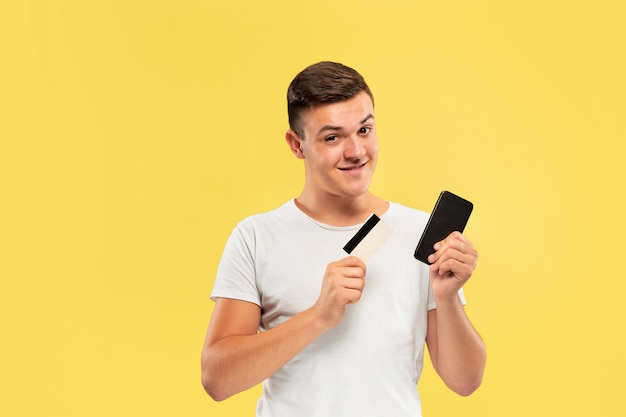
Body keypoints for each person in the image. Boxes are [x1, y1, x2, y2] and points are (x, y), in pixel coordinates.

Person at [201, 61, 486, 417]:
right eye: (332, 137)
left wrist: (446, 299)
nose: (356, 152)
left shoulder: (421, 234)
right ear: (296, 145)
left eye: (364, 130)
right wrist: (319, 316)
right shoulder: (256, 237)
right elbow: (217, 378)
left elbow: (466, 382)